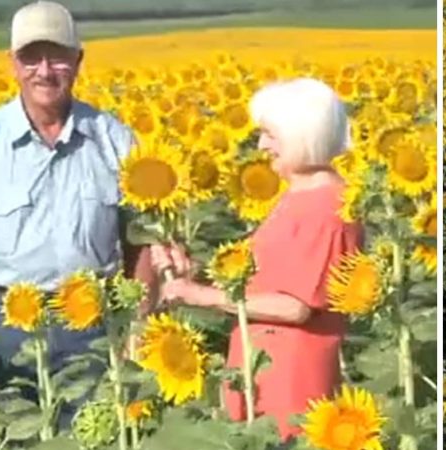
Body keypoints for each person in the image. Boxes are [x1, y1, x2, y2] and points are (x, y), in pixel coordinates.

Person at [0, 0, 157, 435]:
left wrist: (137, 324)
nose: (44, 70)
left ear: (78, 61)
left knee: (91, 438)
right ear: (12, 63)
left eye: (58, 56)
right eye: (31, 57)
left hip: (90, 326)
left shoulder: (113, 139)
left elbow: (140, 243)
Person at [149, 78, 362, 442]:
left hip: (291, 380)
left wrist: (202, 297)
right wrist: (194, 276)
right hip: (264, 369)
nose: (262, 145)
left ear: (302, 135)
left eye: (271, 135)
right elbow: (266, 278)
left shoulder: (326, 207)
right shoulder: (300, 196)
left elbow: (296, 306)